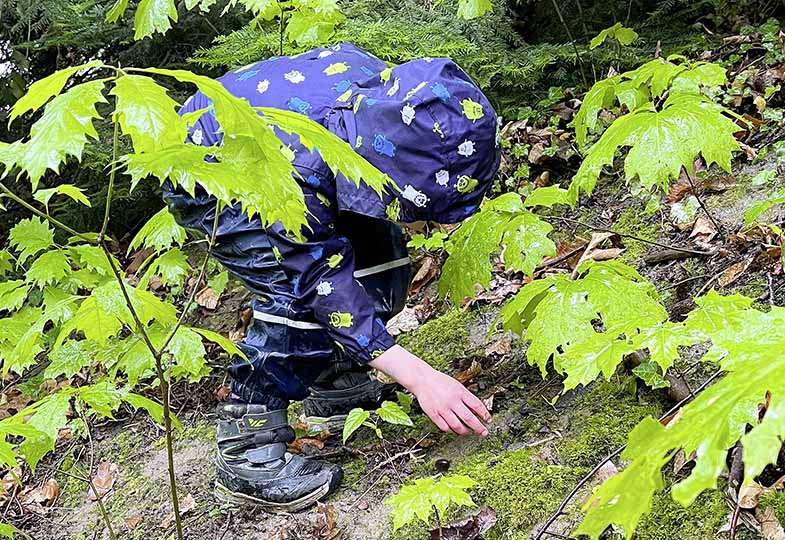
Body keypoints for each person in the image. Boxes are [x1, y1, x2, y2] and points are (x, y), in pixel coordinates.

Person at [162, 42, 501, 512]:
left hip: (313, 157)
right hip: (212, 174)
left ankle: (334, 382)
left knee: (383, 265)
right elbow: (318, 277)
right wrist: (421, 378)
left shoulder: (396, 109)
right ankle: (246, 444)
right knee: (297, 300)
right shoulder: (304, 166)